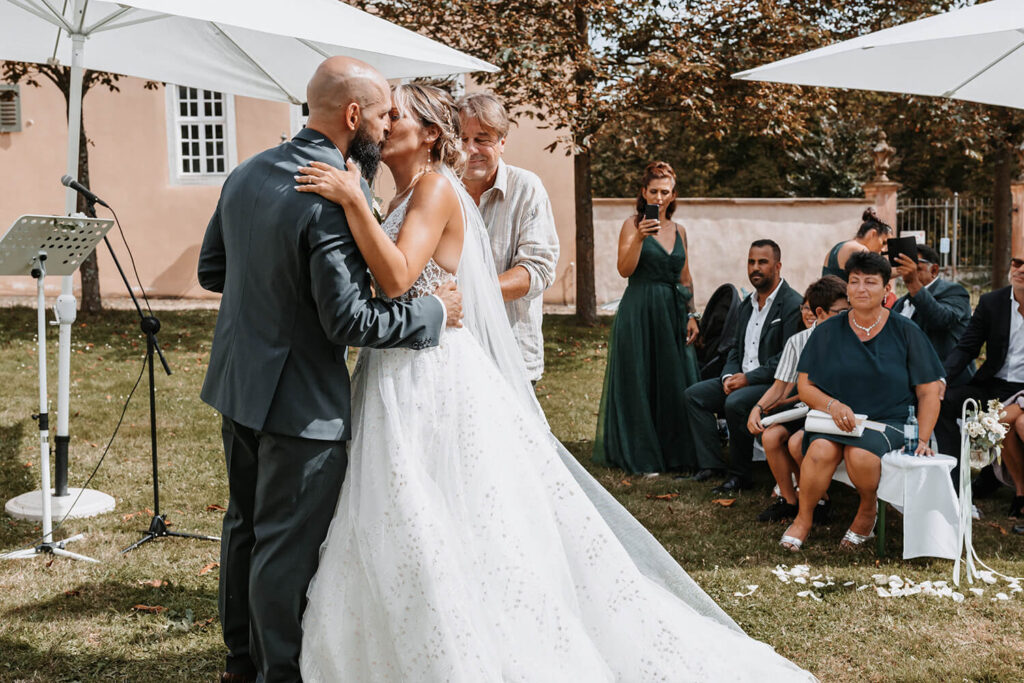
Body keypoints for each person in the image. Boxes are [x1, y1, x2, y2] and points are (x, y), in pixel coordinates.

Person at [292, 83, 815, 682]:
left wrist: (353, 205)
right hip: (397, 366)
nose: (383, 125)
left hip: (429, 370)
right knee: (402, 505)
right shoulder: (404, 189)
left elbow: (396, 278)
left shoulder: (435, 187)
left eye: (397, 115)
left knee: (443, 503)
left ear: (430, 133)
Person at [197, 58, 463, 683]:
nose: (384, 124)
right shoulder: (328, 196)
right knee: (284, 548)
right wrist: (430, 313)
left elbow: (214, 270)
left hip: (237, 387)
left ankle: (241, 662)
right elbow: (349, 322)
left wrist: (275, 298)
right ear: (352, 117)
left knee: (243, 531)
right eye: (379, 114)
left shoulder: (245, 171)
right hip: (299, 405)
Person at [780, 252, 944, 551]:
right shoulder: (828, 330)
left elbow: (928, 391)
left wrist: (921, 437)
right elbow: (805, 385)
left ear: (886, 290)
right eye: (854, 282)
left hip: (888, 422)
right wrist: (833, 406)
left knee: (860, 455)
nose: (860, 289)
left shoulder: (906, 331)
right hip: (835, 419)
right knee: (818, 449)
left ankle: (868, 509)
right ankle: (804, 518)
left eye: (870, 282)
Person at [592, 161, 701, 475]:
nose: (659, 196)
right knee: (640, 378)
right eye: (653, 190)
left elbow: (685, 276)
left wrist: (692, 313)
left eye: (665, 191)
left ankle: (677, 453)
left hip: (672, 311)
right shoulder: (631, 224)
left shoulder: (680, 231)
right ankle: (641, 454)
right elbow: (624, 270)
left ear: (673, 194)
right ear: (643, 192)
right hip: (639, 309)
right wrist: (639, 238)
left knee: (673, 378)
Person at [684, 240, 803, 493]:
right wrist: (728, 375)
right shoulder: (747, 303)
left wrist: (747, 380)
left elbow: (786, 358)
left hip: (774, 384)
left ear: (778, 266)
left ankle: (740, 475)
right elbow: (735, 348)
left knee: (736, 402)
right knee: (695, 396)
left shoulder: (792, 304)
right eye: (751, 262)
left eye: (762, 262)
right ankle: (711, 464)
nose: (755, 268)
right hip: (740, 378)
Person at [457, 92, 559, 383]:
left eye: (482, 138)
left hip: (511, 357)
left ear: (502, 142)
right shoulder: (441, 189)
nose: (470, 149)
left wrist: (469, 293)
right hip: (452, 354)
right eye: (462, 138)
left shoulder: (526, 188)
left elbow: (537, 271)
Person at [747, 276, 849, 522]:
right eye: (841, 311)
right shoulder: (798, 341)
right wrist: (757, 408)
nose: (847, 316)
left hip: (831, 411)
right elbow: (780, 386)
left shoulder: (849, 338)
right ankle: (790, 500)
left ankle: (819, 500)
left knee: (796, 443)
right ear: (821, 313)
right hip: (803, 410)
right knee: (770, 436)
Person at [937, 254, 1024, 517]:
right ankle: (952, 482)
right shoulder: (992, 302)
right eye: (1017, 263)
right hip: (995, 386)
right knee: (945, 401)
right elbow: (967, 347)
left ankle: (1016, 489)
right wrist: (941, 380)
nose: (1021, 269)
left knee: (1008, 422)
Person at [892, 243, 973, 385]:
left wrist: (913, 283)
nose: (908, 274)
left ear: (934, 270)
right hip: (907, 381)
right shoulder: (900, 303)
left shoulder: (954, 292)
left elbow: (941, 319)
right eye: (905, 269)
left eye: (916, 269)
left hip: (945, 382)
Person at [821, 208, 892, 280]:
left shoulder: (840, 246)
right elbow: (876, 277)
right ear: (872, 234)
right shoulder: (860, 249)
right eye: (883, 242)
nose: (883, 249)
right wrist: (900, 270)